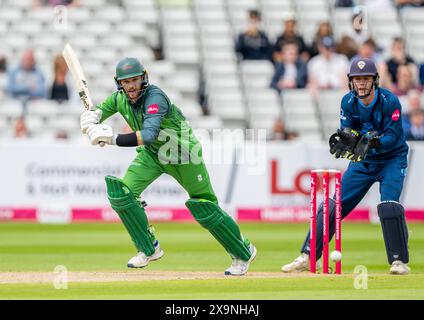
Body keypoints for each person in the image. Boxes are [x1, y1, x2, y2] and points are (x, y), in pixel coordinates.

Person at [80, 57, 257, 275]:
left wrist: (112, 138)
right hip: (153, 155)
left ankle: (243, 251)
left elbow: (149, 134)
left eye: (135, 80)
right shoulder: (119, 99)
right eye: (126, 82)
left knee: (205, 208)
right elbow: (99, 111)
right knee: (121, 193)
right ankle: (148, 248)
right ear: (119, 83)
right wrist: (91, 118)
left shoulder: (155, 97)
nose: (131, 86)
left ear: (144, 78)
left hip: (183, 155)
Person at [282, 57, 411, 275]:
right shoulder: (347, 102)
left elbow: (393, 137)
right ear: (351, 81)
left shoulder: (390, 101)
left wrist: (370, 142)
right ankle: (307, 256)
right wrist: (348, 142)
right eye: (357, 79)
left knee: (389, 205)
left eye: (366, 78)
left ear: (374, 80)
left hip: (391, 159)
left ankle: (398, 261)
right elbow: (348, 132)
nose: (361, 83)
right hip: (364, 163)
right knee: (332, 206)